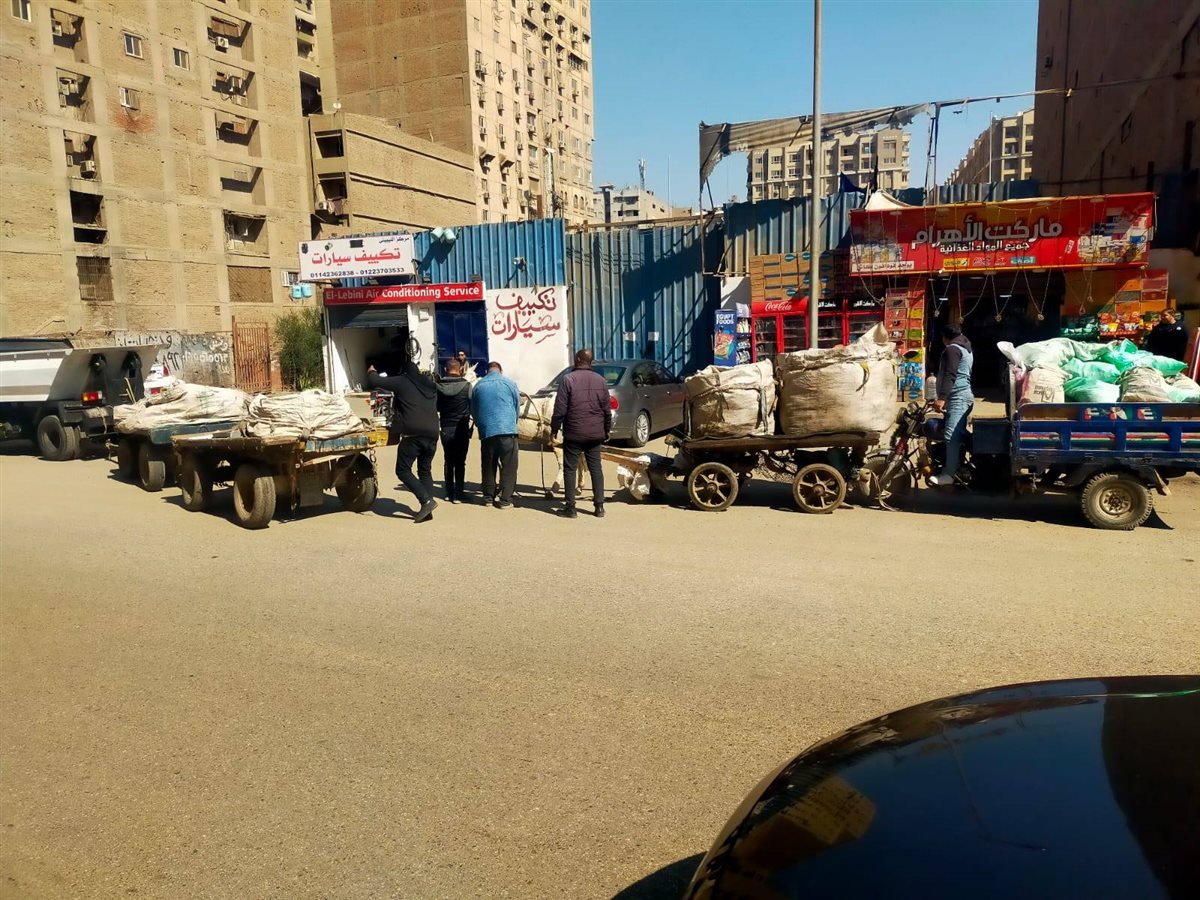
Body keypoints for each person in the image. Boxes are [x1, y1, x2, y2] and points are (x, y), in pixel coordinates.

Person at [367, 359, 439, 522]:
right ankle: (427, 507)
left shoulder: (403, 381)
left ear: (405, 372)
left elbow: (376, 381)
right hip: (433, 434)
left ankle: (426, 501)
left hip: (414, 434)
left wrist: (371, 371)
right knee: (425, 471)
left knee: (402, 470)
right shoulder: (429, 385)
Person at [551, 348, 612, 518]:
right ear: (590, 361)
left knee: (570, 469)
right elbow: (607, 411)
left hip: (574, 433)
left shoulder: (568, 380)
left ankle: (570, 509)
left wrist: (554, 429)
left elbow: (560, 410)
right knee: (596, 469)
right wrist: (606, 430)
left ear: (578, 359)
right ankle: (599, 507)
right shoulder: (601, 381)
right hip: (595, 434)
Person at [470, 361, 520, 508]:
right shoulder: (510, 383)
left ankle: (488, 498)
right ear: (501, 371)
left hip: (487, 432)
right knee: (509, 466)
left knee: (488, 465)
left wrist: (481, 425)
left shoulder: (478, 386)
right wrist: (512, 422)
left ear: (487, 371)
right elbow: (516, 406)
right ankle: (505, 500)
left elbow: (474, 410)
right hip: (507, 430)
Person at [929, 324, 973, 487]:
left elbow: (950, 375)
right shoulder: (965, 347)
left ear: (945, 337)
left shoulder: (952, 349)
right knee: (955, 434)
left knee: (950, 436)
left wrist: (941, 398)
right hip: (959, 397)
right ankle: (956, 466)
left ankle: (949, 474)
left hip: (958, 398)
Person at [436, 357, 472, 503]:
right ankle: (459, 494)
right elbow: (471, 405)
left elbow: (437, 407)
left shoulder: (438, 386)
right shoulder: (467, 386)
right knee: (460, 462)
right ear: (461, 370)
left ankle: (448, 493)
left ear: (446, 370)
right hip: (462, 428)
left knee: (448, 461)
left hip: (446, 427)